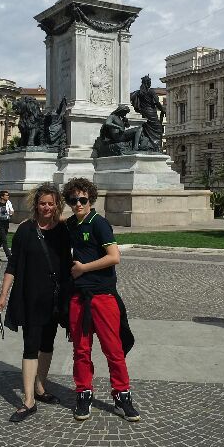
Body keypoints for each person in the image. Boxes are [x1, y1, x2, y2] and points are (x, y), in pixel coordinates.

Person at [62, 177, 140, 422]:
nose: (78, 204)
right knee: (81, 350)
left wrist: (83, 268)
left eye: (82, 199)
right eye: (73, 200)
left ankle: (122, 395)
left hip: (103, 296)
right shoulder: (71, 225)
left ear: (90, 199)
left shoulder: (100, 224)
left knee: (113, 349)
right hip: (79, 297)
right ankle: (83, 393)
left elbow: (114, 257)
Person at [0, 183, 72, 422]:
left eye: (51, 203)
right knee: (31, 346)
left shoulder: (62, 230)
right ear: (35, 205)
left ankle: (40, 388)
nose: (46, 207)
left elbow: (71, 262)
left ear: (56, 204)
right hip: (29, 297)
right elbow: (13, 265)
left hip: (54, 299)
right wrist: (3, 295)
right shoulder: (25, 230)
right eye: (42, 203)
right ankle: (28, 401)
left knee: (47, 345)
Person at [130, 75, 167, 151]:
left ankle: (149, 145)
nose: (150, 83)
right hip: (151, 113)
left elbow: (132, 99)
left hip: (143, 113)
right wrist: (163, 110)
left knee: (146, 130)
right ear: (147, 83)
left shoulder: (139, 93)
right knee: (157, 129)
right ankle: (155, 146)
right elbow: (157, 103)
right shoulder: (151, 91)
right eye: (149, 82)